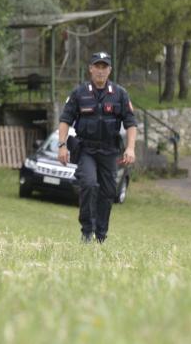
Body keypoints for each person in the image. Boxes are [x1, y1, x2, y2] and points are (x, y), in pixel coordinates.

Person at [58, 52, 137, 243]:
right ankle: (87, 231)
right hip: (86, 150)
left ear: (109, 70)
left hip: (109, 151)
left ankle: (101, 235)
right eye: (97, 66)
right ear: (90, 69)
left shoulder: (120, 94)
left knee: (108, 192)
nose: (100, 71)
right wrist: (62, 145)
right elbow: (65, 120)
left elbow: (131, 123)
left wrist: (131, 148)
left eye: (104, 67)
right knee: (88, 184)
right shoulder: (79, 93)